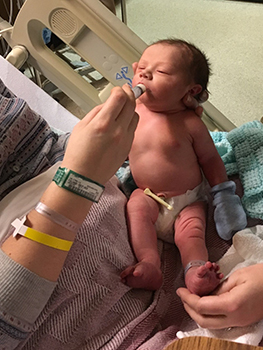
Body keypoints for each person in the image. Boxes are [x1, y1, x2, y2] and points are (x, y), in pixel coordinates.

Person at [120, 38, 246, 296]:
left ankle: (195, 270)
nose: (144, 73)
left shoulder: (190, 123)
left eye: (161, 71)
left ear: (190, 91)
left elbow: (210, 160)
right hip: (149, 195)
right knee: (136, 206)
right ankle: (149, 263)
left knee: (191, 234)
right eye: (141, 67)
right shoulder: (133, 111)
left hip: (188, 200)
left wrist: (223, 195)